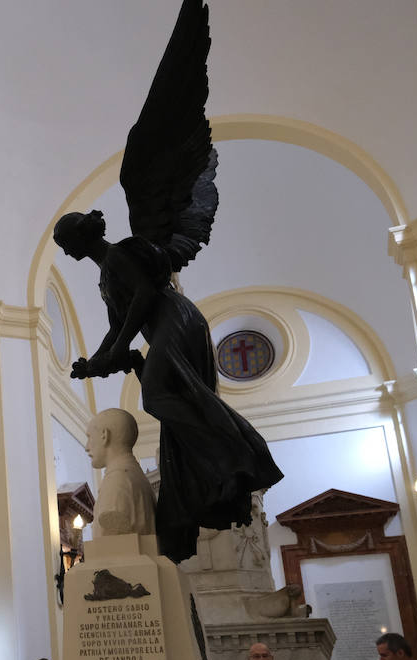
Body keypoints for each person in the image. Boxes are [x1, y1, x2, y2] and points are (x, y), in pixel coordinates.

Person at [54, 209, 282, 563]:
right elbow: (117, 328)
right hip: (161, 327)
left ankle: (229, 452)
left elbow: (146, 293)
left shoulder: (119, 254)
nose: (65, 252)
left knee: (157, 396)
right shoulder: (104, 278)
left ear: (80, 236)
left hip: (177, 318)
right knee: (162, 397)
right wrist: (94, 362)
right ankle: (211, 459)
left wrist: (117, 349)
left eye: (65, 243)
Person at [85, 408, 155, 537]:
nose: (87, 447)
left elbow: (112, 535)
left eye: (89, 437)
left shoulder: (117, 482)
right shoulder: (134, 476)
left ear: (104, 435)